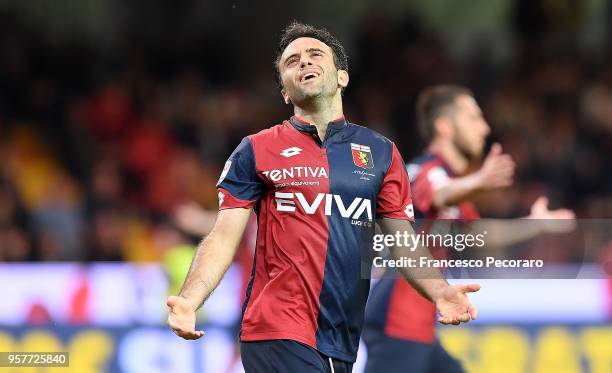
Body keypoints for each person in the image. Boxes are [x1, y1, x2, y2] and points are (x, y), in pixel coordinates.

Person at [166, 24, 480, 373]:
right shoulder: (255, 150)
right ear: (285, 91)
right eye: (291, 61)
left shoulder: (381, 153)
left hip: (341, 339)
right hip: (275, 331)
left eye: (315, 55)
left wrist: (439, 291)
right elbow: (224, 235)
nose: (303, 63)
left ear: (342, 76)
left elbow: (402, 242)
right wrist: (190, 299)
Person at [363, 85, 575, 373]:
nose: (485, 128)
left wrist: (535, 225)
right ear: (445, 126)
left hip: (416, 323)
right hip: (398, 320)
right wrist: (478, 182)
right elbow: (440, 193)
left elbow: (480, 235)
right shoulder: (422, 172)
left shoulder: (446, 182)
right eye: (474, 118)